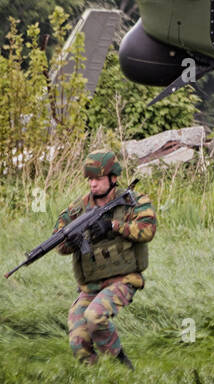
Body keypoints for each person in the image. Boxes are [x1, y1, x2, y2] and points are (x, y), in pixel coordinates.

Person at [55, 151, 156, 368]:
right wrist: (71, 240)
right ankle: (98, 381)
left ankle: (122, 367)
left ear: (113, 178)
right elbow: (59, 245)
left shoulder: (133, 201)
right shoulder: (77, 209)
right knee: (77, 341)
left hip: (124, 279)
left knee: (95, 316)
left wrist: (113, 226)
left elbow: (147, 230)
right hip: (90, 285)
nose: (93, 184)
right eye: (90, 179)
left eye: (98, 179)